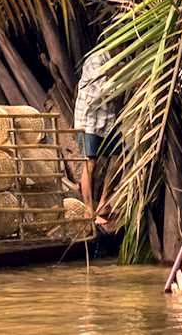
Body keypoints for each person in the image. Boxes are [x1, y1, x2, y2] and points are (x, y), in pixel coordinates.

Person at [73, 48, 117, 229]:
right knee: (89, 163)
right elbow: (100, 91)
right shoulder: (96, 59)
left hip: (108, 121)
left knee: (117, 158)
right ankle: (88, 210)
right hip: (88, 121)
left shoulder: (119, 59)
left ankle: (104, 204)